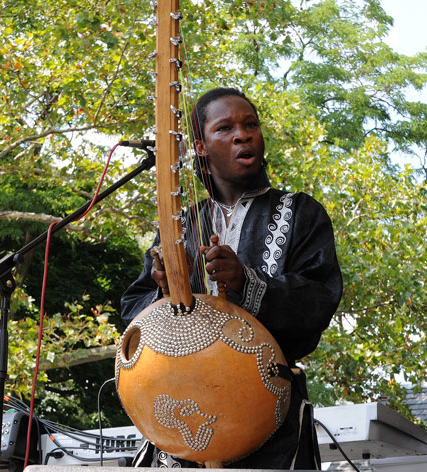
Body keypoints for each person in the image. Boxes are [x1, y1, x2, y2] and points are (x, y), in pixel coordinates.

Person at [120, 87, 343, 469]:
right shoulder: (180, 224)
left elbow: (320, 300)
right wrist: (166, 288)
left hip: (267, 419)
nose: (243, 134)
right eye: (225, 128)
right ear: (201, 147)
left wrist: (246, 282)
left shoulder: (299, 211)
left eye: (250, 124)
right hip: (181, 419)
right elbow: (132, 315)